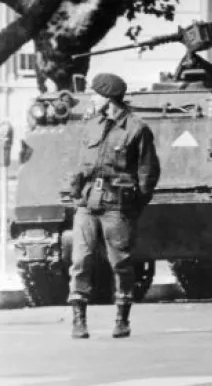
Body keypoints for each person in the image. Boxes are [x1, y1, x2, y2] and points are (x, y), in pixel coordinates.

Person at [67, 73, 160, 339]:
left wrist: (133, 205)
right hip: (87, 202)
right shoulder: (91, 125)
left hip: (117, 205)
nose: (92, 98)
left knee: (120, 262)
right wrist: (76, 193)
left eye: (95, 94)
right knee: (80, 260)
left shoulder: (136, 129)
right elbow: (80, 163)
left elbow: (148, 173)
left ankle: (122, 319)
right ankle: (79, 320)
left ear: (108, 98)